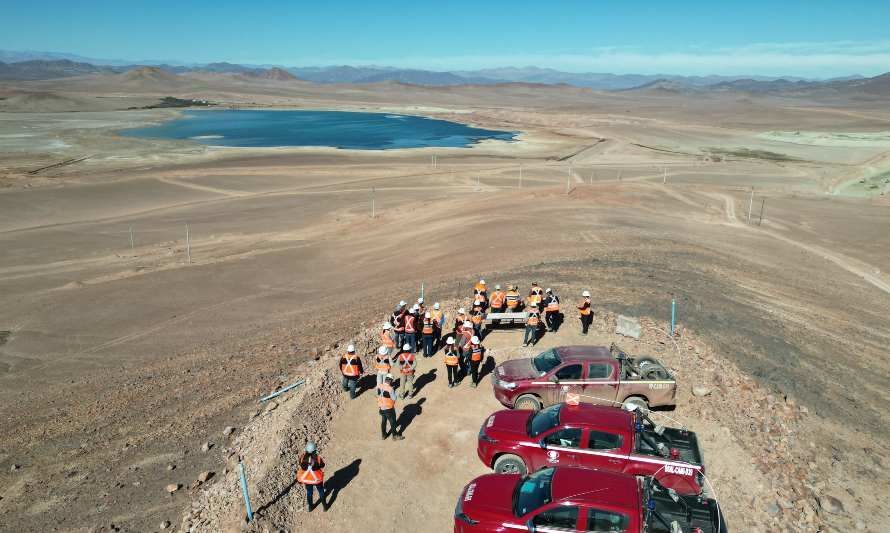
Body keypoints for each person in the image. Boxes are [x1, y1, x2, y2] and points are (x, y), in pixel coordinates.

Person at [297, 441, 326, 511]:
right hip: (317, 480)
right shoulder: (318, 458)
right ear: (314, 450)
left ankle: (310, 507)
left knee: (309, 493)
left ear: (306, 449)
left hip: (307, 480)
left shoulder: (302, 457)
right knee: (321, 491)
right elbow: (322, 465)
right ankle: (325, 507)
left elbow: (300, 464)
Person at [377, 374, 404, 440]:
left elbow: (378, 394)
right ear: (391, 381)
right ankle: (395, 435)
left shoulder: (379, 386)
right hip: (389, 409)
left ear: (386, 379)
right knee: (393, 422)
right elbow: (394, 398)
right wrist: (396, 394)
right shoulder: (390, 389)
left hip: (381, 408)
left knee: (383, 421)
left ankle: (383, 435)